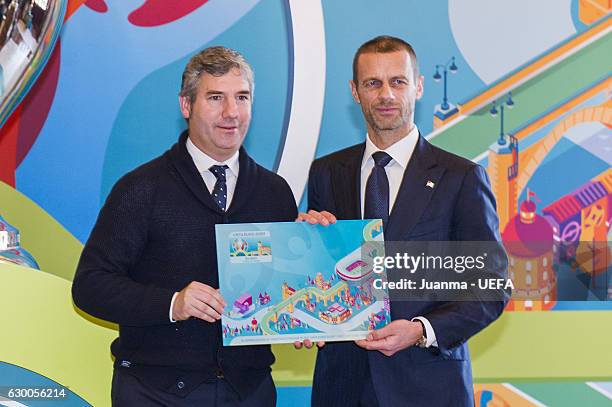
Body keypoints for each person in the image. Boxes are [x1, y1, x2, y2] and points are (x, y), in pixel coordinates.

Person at [72, 46, 297, 406]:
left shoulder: (275, 193)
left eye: (242, 97)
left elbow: (287, 291)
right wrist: (172, 303)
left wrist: (311, 303)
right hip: (155, 392)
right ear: (186, 105)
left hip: (249, 391)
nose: (231, 113)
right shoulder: (140, 188)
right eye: (215, 98)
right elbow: (90, 286)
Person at [301, 36, 509, 406]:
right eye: (372, 83)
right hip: (342, 386)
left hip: (428, 386)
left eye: (397, 81)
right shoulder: (325, 173)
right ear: (355, 91)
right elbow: (322, 278)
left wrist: (421, 330)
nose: (386, 95)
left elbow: (492, 286)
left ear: (418, 86)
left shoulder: (461, 177)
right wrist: (305, 258)